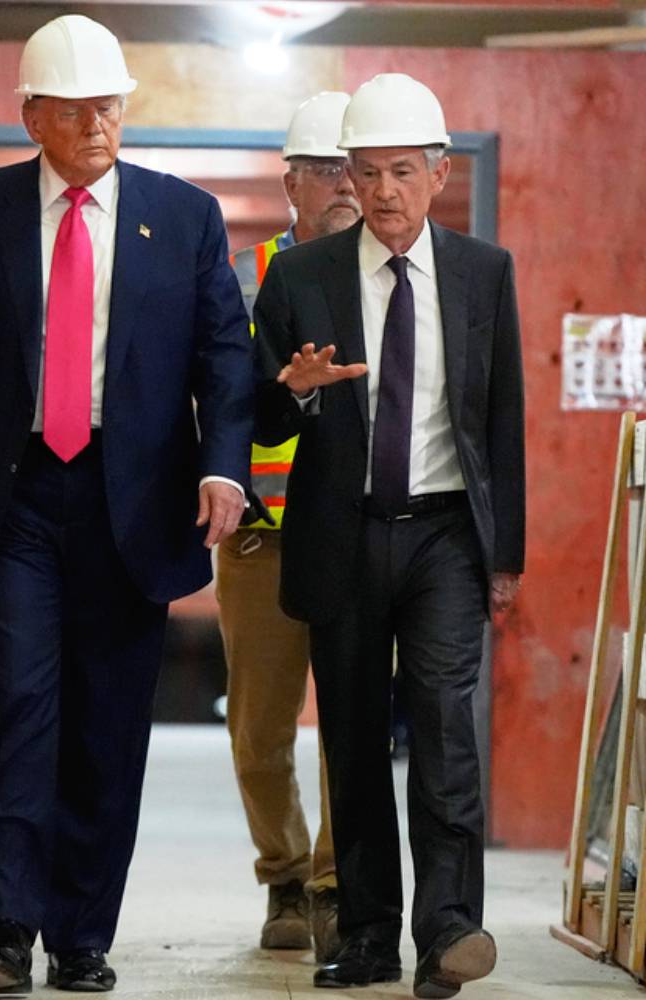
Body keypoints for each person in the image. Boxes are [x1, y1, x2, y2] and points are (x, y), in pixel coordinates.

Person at [0, 15, 253, 995]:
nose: (97, 124)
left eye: (110, 107)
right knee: (14, 707)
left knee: (106, 725)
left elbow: (224, 357)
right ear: (33, 118)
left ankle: (82, 935)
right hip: (9, 496)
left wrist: (223, 468)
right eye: (75, 109)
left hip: (129, 501)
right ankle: (2, 930)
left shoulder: (184, 217)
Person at [251, 73, 524, 999]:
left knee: (445, 727)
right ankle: (367, 935)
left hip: (446, 535)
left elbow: (503, 420)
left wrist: (505, 555)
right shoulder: (301, 276)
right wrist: (292, 389)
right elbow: (256, 416)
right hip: (345, 531)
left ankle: (449, 930)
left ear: (439, 173)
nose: (382, 192)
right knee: (356, 740)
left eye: (402, 172)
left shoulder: (484, 273)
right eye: (365, 173)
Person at [221, 90, 359, 963]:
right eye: (326, 169)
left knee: (351, 721)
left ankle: (334, 886)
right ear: (292, 185)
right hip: (262, 535)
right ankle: (283, 876)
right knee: (260, 730)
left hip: (357, 535)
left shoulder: (386, 277)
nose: (345, 183)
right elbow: (213, 397)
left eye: (356, 168)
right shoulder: (242, 278)